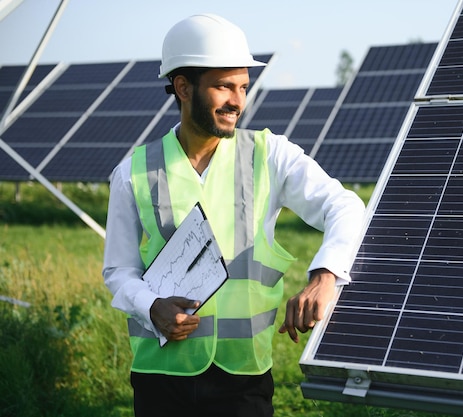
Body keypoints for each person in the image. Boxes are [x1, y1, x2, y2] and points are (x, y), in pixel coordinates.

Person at [102, 13, 365, 417]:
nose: (238, 101)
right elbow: (118, 270)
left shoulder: (270, 154)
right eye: (224, 86)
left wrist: (326, 276)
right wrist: (151, 306)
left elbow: (344, 206)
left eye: (243, 86)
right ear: (183, 87)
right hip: (161, 375)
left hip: (243, 378)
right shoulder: (133, 172)